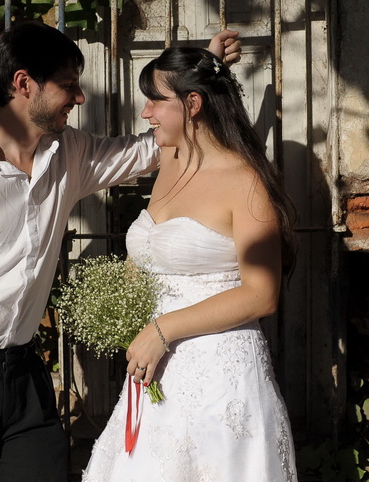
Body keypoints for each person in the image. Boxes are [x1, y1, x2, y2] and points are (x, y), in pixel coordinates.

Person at [0, 21, 240, 482]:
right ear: (23, 84)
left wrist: (200, 75)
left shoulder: (69, 154)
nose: (80, 98)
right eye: (68, 86)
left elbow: (152, 148)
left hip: (24, 373)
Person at [82, 46, 298, 481]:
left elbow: (262, 294)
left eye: (155, 100)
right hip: (154, 369)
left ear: (193, 104)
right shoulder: (169, 160)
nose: (145, 113)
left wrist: (163, 331)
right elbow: (154, 251)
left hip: (219, 376)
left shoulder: (247, 182)